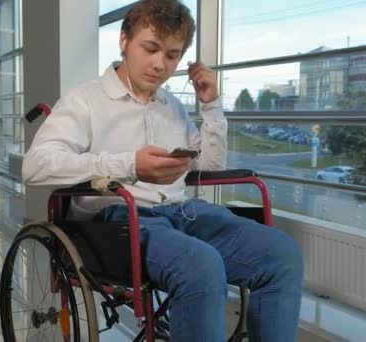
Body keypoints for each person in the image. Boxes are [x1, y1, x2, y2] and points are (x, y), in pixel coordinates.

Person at [22, 0, 303, 340]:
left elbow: (210, 166)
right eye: (150, 48)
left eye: (172, 55)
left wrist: (211, 106)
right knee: (200, 266)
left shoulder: (171, 105)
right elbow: (35, 167)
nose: (159, 65)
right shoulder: (85, 100)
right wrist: (130, 165)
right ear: (124, 41)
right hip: (118, 220)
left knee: (282, 254)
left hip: (182, 213)